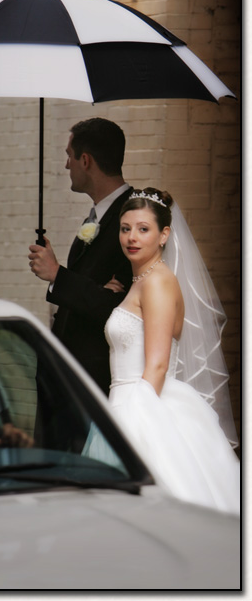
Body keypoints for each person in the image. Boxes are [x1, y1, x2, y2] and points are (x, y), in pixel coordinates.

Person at [86, 187, 240, 514]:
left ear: (164, 235)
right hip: (128, 397)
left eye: (143, 229)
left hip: (142, 402)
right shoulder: (143, 280)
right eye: (125, 228)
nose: (132, 237)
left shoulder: (157, 282)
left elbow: (157, 365)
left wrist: (130, 423)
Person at [28, 118, 133, 395]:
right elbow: (97, 293)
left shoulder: (133, 219)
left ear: (85, 160)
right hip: (68, 376)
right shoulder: (98, 214)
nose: (66, 165)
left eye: (69, 157)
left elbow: (121, 308)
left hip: (96, 381)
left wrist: (57, 275)